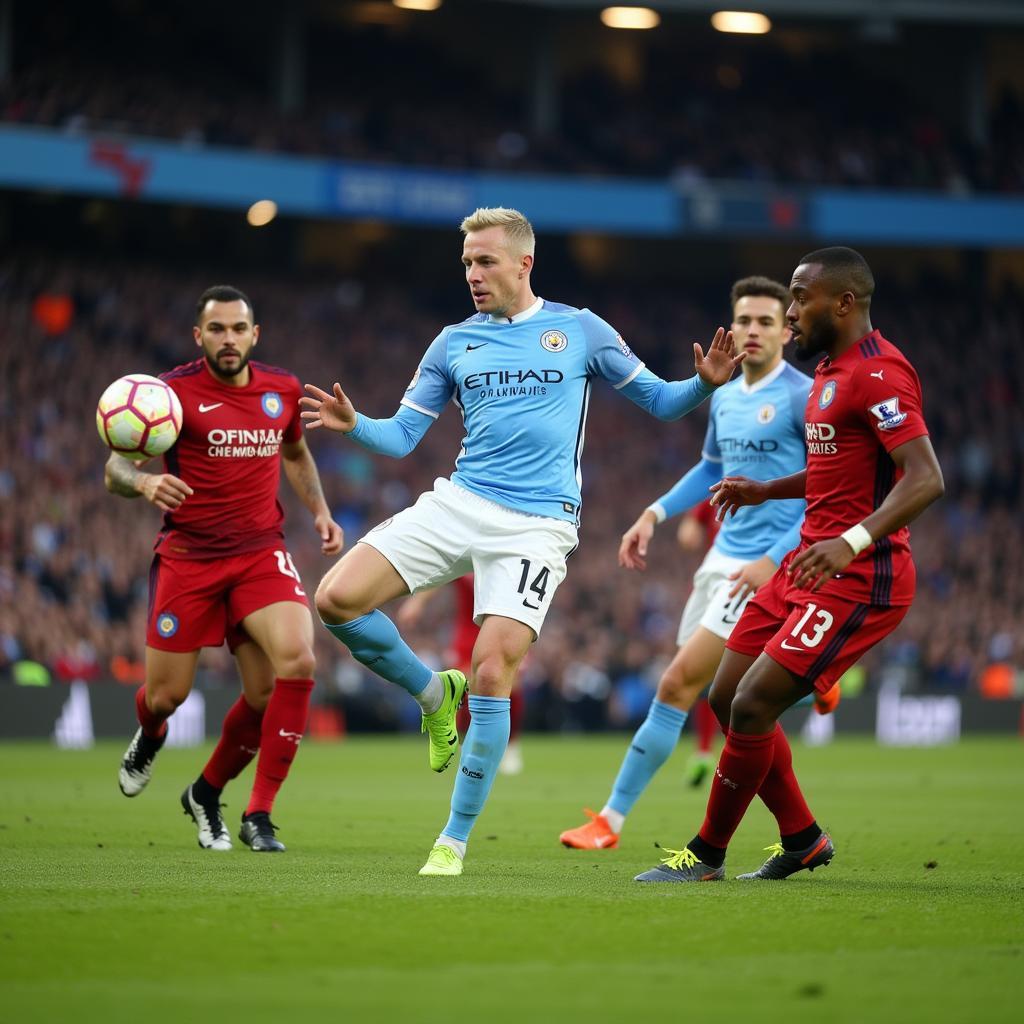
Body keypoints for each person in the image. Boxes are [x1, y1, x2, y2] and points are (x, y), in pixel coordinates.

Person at [301, 206, 743, 876]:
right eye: (467, 264)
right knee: (335, 599)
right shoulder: (453, 343)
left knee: (491, 669)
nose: (473, 275)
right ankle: (430, 695)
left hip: (537, 526)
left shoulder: (580, 330)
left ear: (523, 263)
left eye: (485, 262)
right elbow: (400, 438)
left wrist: (703, 386)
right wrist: (356, 423)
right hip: (459, 501)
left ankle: (452, 840)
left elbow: (659, 400)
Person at [634, 246, 944, 883]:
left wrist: (851, 542)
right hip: (807, 563)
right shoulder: (829, 374)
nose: (791, 311)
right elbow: (837, 473)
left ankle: (707, 854)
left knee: (752, 706)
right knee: (724, 696)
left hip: (861, 575)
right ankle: (802, 838)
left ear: (844, 302)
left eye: (801, 298)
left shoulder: (880, 374)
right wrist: (765, 489)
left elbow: (925, 478)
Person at [559, 276, 818, 851]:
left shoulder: (805, 397)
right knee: (737, 710)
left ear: (786, 330)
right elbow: (709, 471)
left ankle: (611, 820)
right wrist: (653, 512)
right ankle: (800, 826)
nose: (752, 331)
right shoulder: (724, 394)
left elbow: (826, 493)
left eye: (766, 322)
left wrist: (774, 560)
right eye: (744, 320)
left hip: (765, 567)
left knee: (680, 685)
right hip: (721, 558)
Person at [107, 285, 343, 853]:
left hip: (260, 552)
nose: (229, 339)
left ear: (254, 335)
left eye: (239, 329)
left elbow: (294, 452)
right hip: (189, 558)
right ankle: (151, 734)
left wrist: (320, 512)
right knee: (166, 697)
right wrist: (143, 481)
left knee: (292, 668)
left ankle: (243, 806)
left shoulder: (281, 389)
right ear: (200, 336)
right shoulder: (171, 393)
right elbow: (115, 466)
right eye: (217, 330)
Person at [396, 575, 527, 775]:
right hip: (468, 633)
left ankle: (510, 747)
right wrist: (418, 601)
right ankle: (461, 744)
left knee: (512, 686)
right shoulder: (470, 553)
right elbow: (442, 573)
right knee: (463, 686)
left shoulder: (508, 556)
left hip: (505, 629)